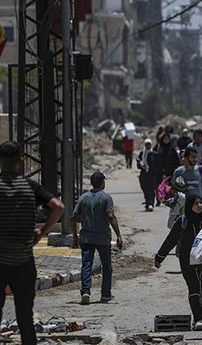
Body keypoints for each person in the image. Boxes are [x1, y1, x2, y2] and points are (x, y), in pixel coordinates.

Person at [0, 141, 64, 345]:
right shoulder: (31, 187)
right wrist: (42, 231)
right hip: (24, 264)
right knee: (25, 318)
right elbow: (59, 207)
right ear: (20, 161)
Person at [154, 196, 202, 330]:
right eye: (195, 203)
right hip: (187, 260)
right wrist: (159, 257)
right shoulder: (183, 221)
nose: (199, 206)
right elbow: (171, 240)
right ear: (189, 205)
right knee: (193, 286)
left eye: (200, 203)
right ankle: (199, 318)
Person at [71, 171, 123, 305]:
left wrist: (75, 236)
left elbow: (73, 217)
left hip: (86, 238)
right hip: (103, 239)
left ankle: (86, 292)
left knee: (86, 265)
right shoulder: (106, 198)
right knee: (106, 266)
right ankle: (105, 294)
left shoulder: (83, 198)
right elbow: (111, 217)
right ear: (101, 183)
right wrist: (118, 235)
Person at [137, 138, 158, 211]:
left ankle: (151, 204)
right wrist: (141, 165)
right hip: (143, 174)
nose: (148, 146)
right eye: (147, 144)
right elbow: (138, 165)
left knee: (151, 189)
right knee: (145, 188)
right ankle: (147, 202)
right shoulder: (141, 154)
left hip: (152, 174)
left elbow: (156, 164)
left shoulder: (154, 154)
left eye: (149, 144)